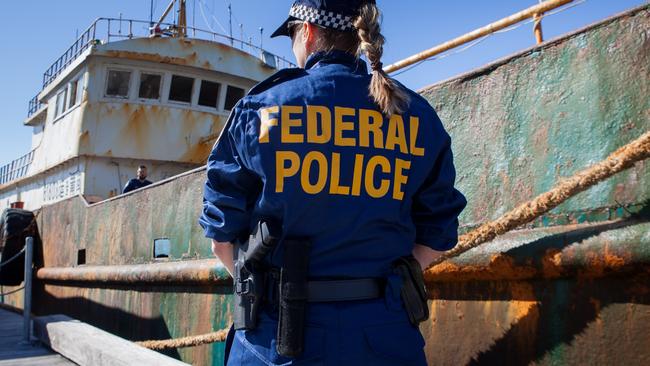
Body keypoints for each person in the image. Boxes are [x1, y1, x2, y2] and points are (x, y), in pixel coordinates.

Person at [199, 0, 467, 364]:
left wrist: (262, 291)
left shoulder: (259, 109)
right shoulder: (415, 114)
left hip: (279, 340)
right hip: (385, 337)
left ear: (307, 32)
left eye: (292, 34)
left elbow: (221, 240)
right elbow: (437, 234)